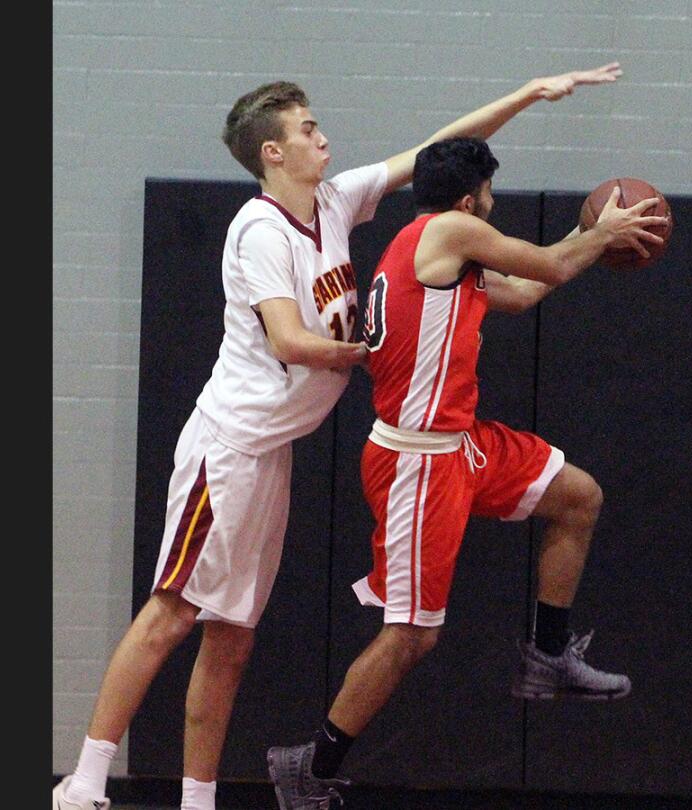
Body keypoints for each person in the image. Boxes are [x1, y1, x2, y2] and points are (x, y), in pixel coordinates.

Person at [54, 65, 628, 810]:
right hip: (228, 444)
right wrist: (363, 349)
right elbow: (290, 339)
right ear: (272, 153)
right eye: (307, 130)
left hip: (276, 453)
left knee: (233, 636)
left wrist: (525, 95)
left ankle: (199, 800)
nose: (323, 138)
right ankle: (86, 779)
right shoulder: (257, 228)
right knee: (172, 611)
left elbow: (435, 151)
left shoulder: (334, 201)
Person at [266, 136, 668, 809]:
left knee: (578, 498)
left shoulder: (436, 247)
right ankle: (311, 765)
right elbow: (551, 267)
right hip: (418, 462)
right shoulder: (450, 232)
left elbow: (526, 290)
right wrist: (604, 234)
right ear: (466, 200)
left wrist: (587, 231)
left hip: (460, 445)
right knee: (412, 636)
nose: (493, 203)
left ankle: (547, 653)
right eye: (489, 194)